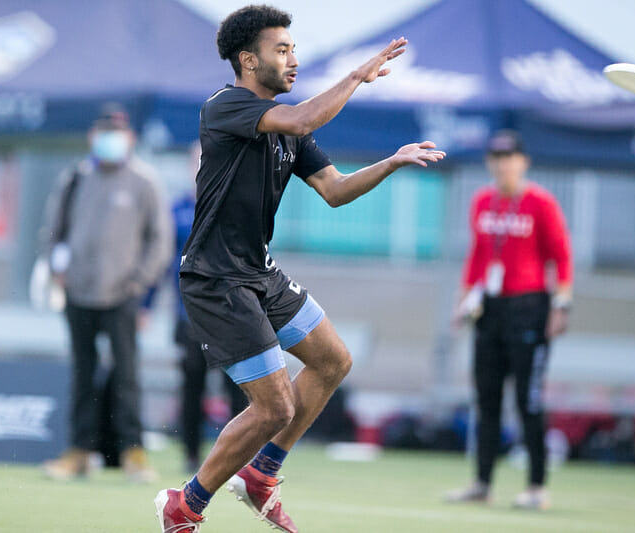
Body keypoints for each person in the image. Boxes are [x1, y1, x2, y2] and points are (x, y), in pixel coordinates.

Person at [154, 5, 445, 533]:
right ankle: (186, 504)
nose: (293, 59)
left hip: (258, 273)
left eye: (293, 48)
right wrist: (357, 75)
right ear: (248, 60)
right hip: (216, 279)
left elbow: (334, 191)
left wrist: (393, 161)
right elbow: (306, 116)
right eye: (281, 50)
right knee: (275, 407)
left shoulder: (291, 126)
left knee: (333, 361)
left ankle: (261, 476)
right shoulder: (225, 105)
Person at [39, 104, 172, 482]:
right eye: (103, 133)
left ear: (129, 139)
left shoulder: (144, 181)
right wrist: (55, 268)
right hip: (79, 291)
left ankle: (133, 452)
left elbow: (159, 240)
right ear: (92, 138)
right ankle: (79, 451)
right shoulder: (75, 178)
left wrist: (138, 283)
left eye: (116, 133)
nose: (110, 140)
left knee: (127, 374)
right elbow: (52, 230)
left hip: (122, 294)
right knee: (82, 373)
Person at [445, 130, 573, 510]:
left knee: (528, 399)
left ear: (523, 161)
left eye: (510, 156)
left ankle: (536, 486)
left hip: (529, 307)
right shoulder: (483, 201)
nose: (503, 163)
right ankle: (482, 483)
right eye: (497, 157)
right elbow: (478, 256)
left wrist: (561, 306)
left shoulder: (540, 203)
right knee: (486, 399)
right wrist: (463, 300)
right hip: (491, 309)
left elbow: (561, 256)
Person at [174, 142, 247, 473]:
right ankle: (191, 455)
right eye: (197, 161)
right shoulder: (176, 211)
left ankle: (237, 456)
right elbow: (164, 264)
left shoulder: (235, 205)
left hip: (231, 314)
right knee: (192, 388)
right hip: (188, 314)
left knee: (239, 388)